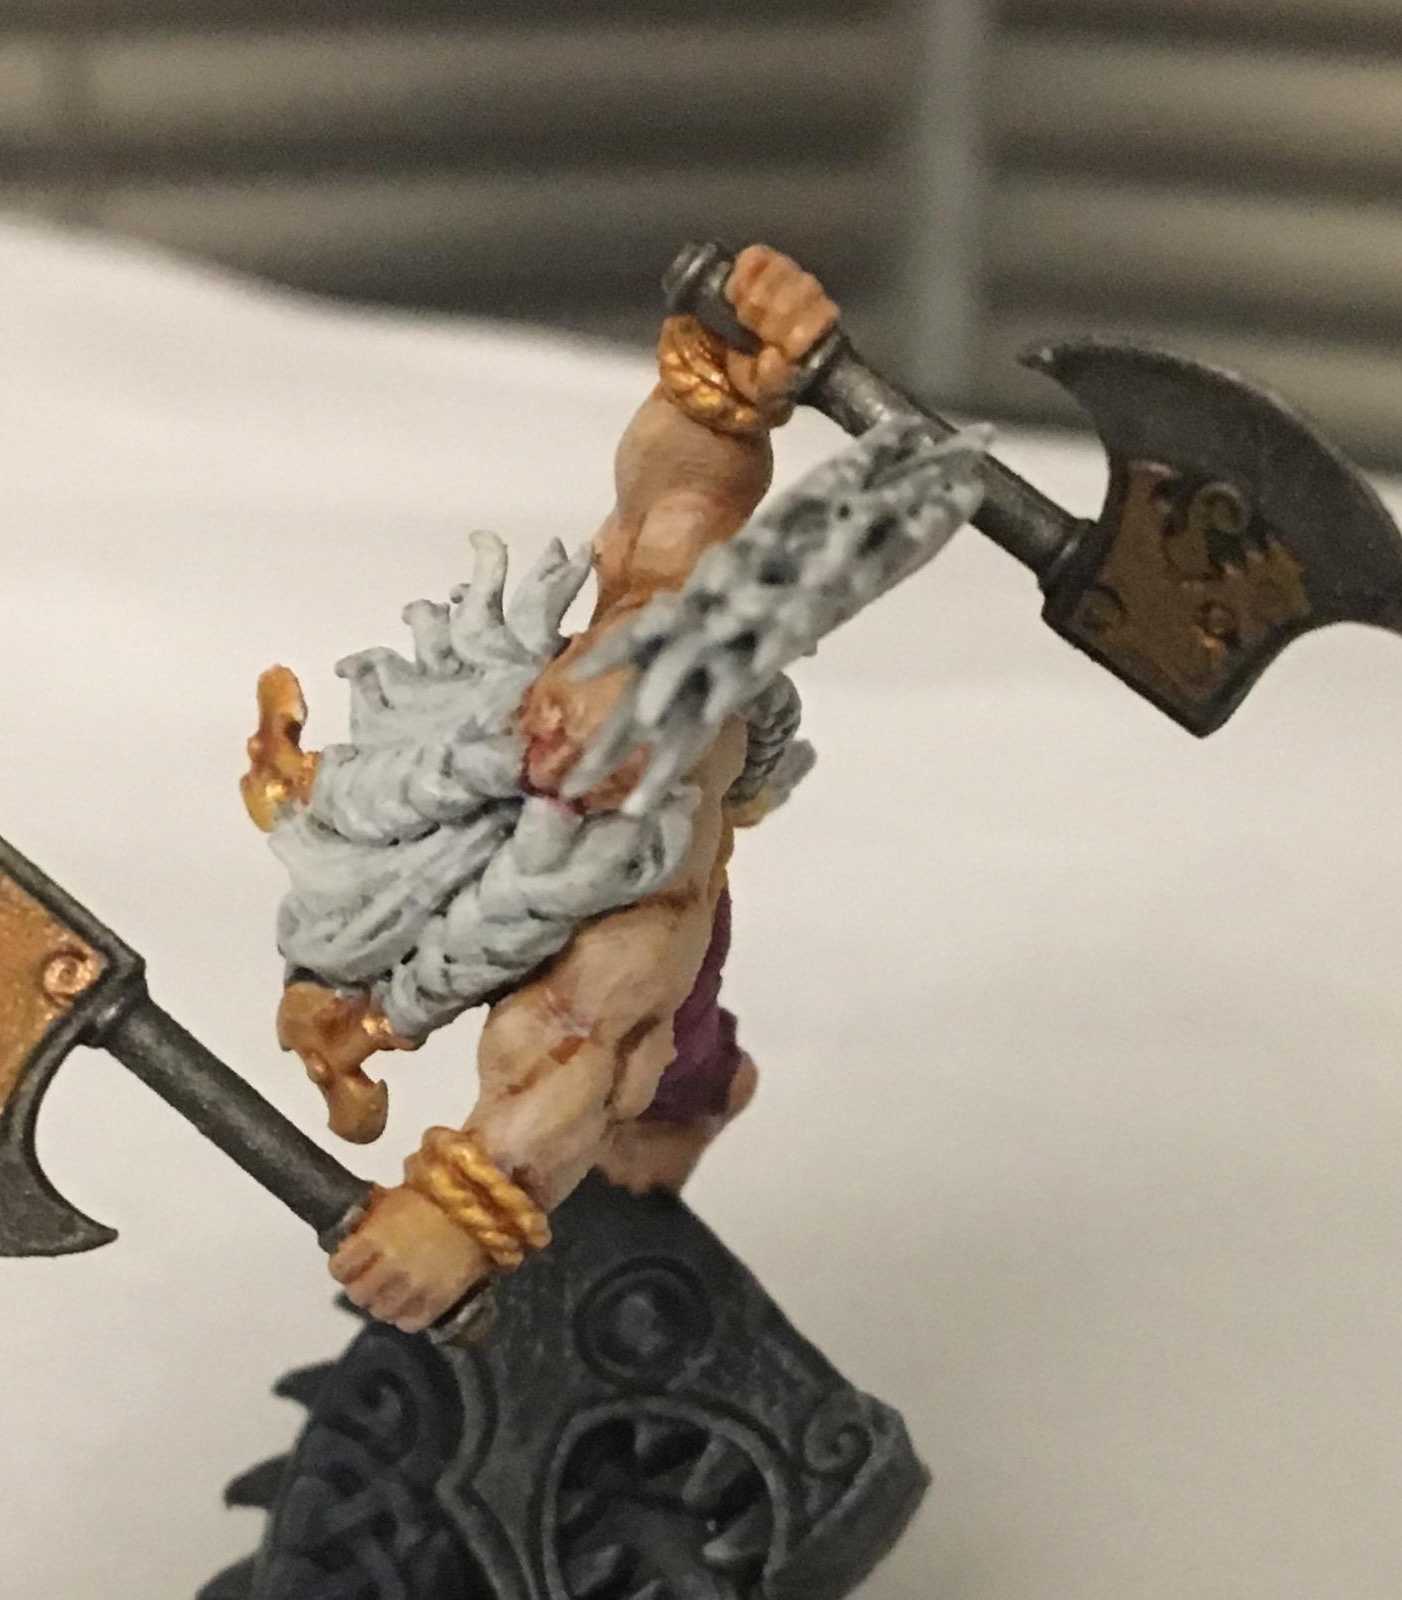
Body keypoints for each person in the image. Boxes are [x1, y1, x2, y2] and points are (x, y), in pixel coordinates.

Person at [246, 247, 965, 1332]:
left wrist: (457, 1218)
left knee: (649, 1067)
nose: (566, 736)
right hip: (493, 860)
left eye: (612, 745)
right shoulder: (628, 612)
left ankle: (697, 1098)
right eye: (572, 705)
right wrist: (730, 369)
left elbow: (566, 1060)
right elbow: (682, 483)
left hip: (641, 967)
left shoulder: (643, 884)